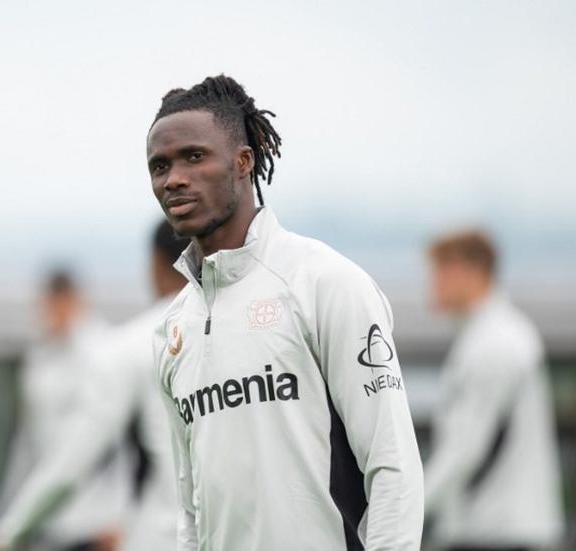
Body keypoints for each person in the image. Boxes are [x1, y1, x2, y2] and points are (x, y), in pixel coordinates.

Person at [147, 74, 423, 550]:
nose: (174, 178)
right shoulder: (173, 328)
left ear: (243, 162)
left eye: (194, 156)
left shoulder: (326, 284)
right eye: (160, 165)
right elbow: (191, 507)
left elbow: (393, 466)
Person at [0, 222, 190, 551]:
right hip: (60, 526)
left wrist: (8, 532)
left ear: (154, 263)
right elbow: (28, 449)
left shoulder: (119, 349)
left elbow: (85, 453)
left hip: (121, 531)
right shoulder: (39, 363)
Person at [423, 230, 564, 551]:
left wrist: (404, 511)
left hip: (497, 534)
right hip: (497, 531)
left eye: (441, 271)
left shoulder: (494, 343)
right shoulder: (490, 336)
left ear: (470, 272)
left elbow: (464, 450)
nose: (432, 283)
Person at [0, 271, 131, 551]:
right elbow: (27, 451)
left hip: (97, 526)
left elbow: (123, 445)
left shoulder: (107, 354)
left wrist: (122, 517)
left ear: (74, 301)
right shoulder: (38, 362)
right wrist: (5, 523)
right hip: (48, 526)